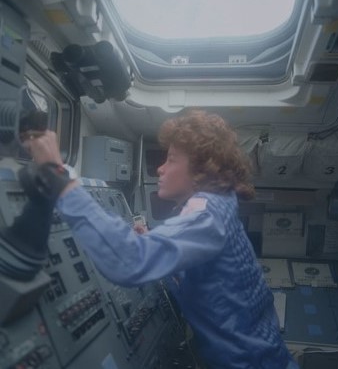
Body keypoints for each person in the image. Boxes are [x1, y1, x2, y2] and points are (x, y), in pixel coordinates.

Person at [24, 109, 299, 369]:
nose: (161, 169)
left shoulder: (208, 215)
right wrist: (153, 240)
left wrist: (61, 177)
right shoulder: (217, 208)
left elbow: (130, 262)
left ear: (202, 169)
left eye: (171, 159)